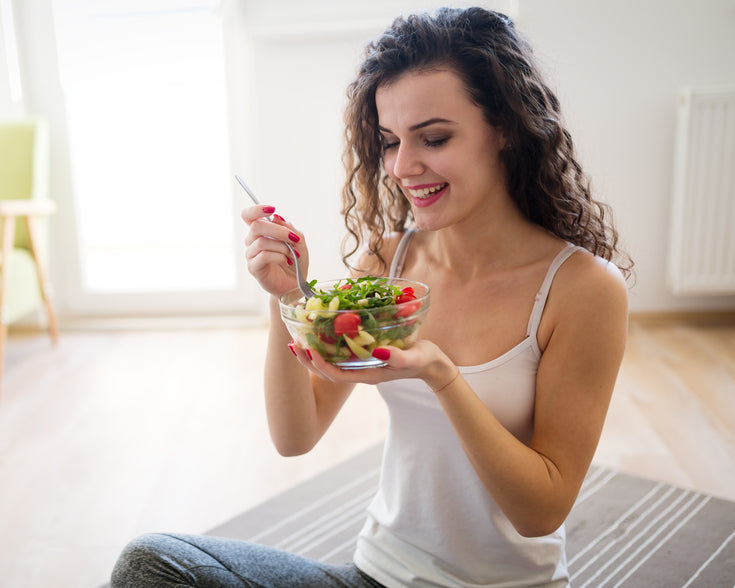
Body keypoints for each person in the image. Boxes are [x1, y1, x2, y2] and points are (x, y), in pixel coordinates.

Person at [111, 7, 632, 587]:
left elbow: (541, 512)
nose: (403, 167)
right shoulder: (387, 263)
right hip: (376, 575)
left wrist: (442, 375)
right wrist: (287, 300)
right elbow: (296, 435)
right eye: (389, 142)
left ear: (506, 128)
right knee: (150, 564)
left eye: (434, 138)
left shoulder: (583, 288)